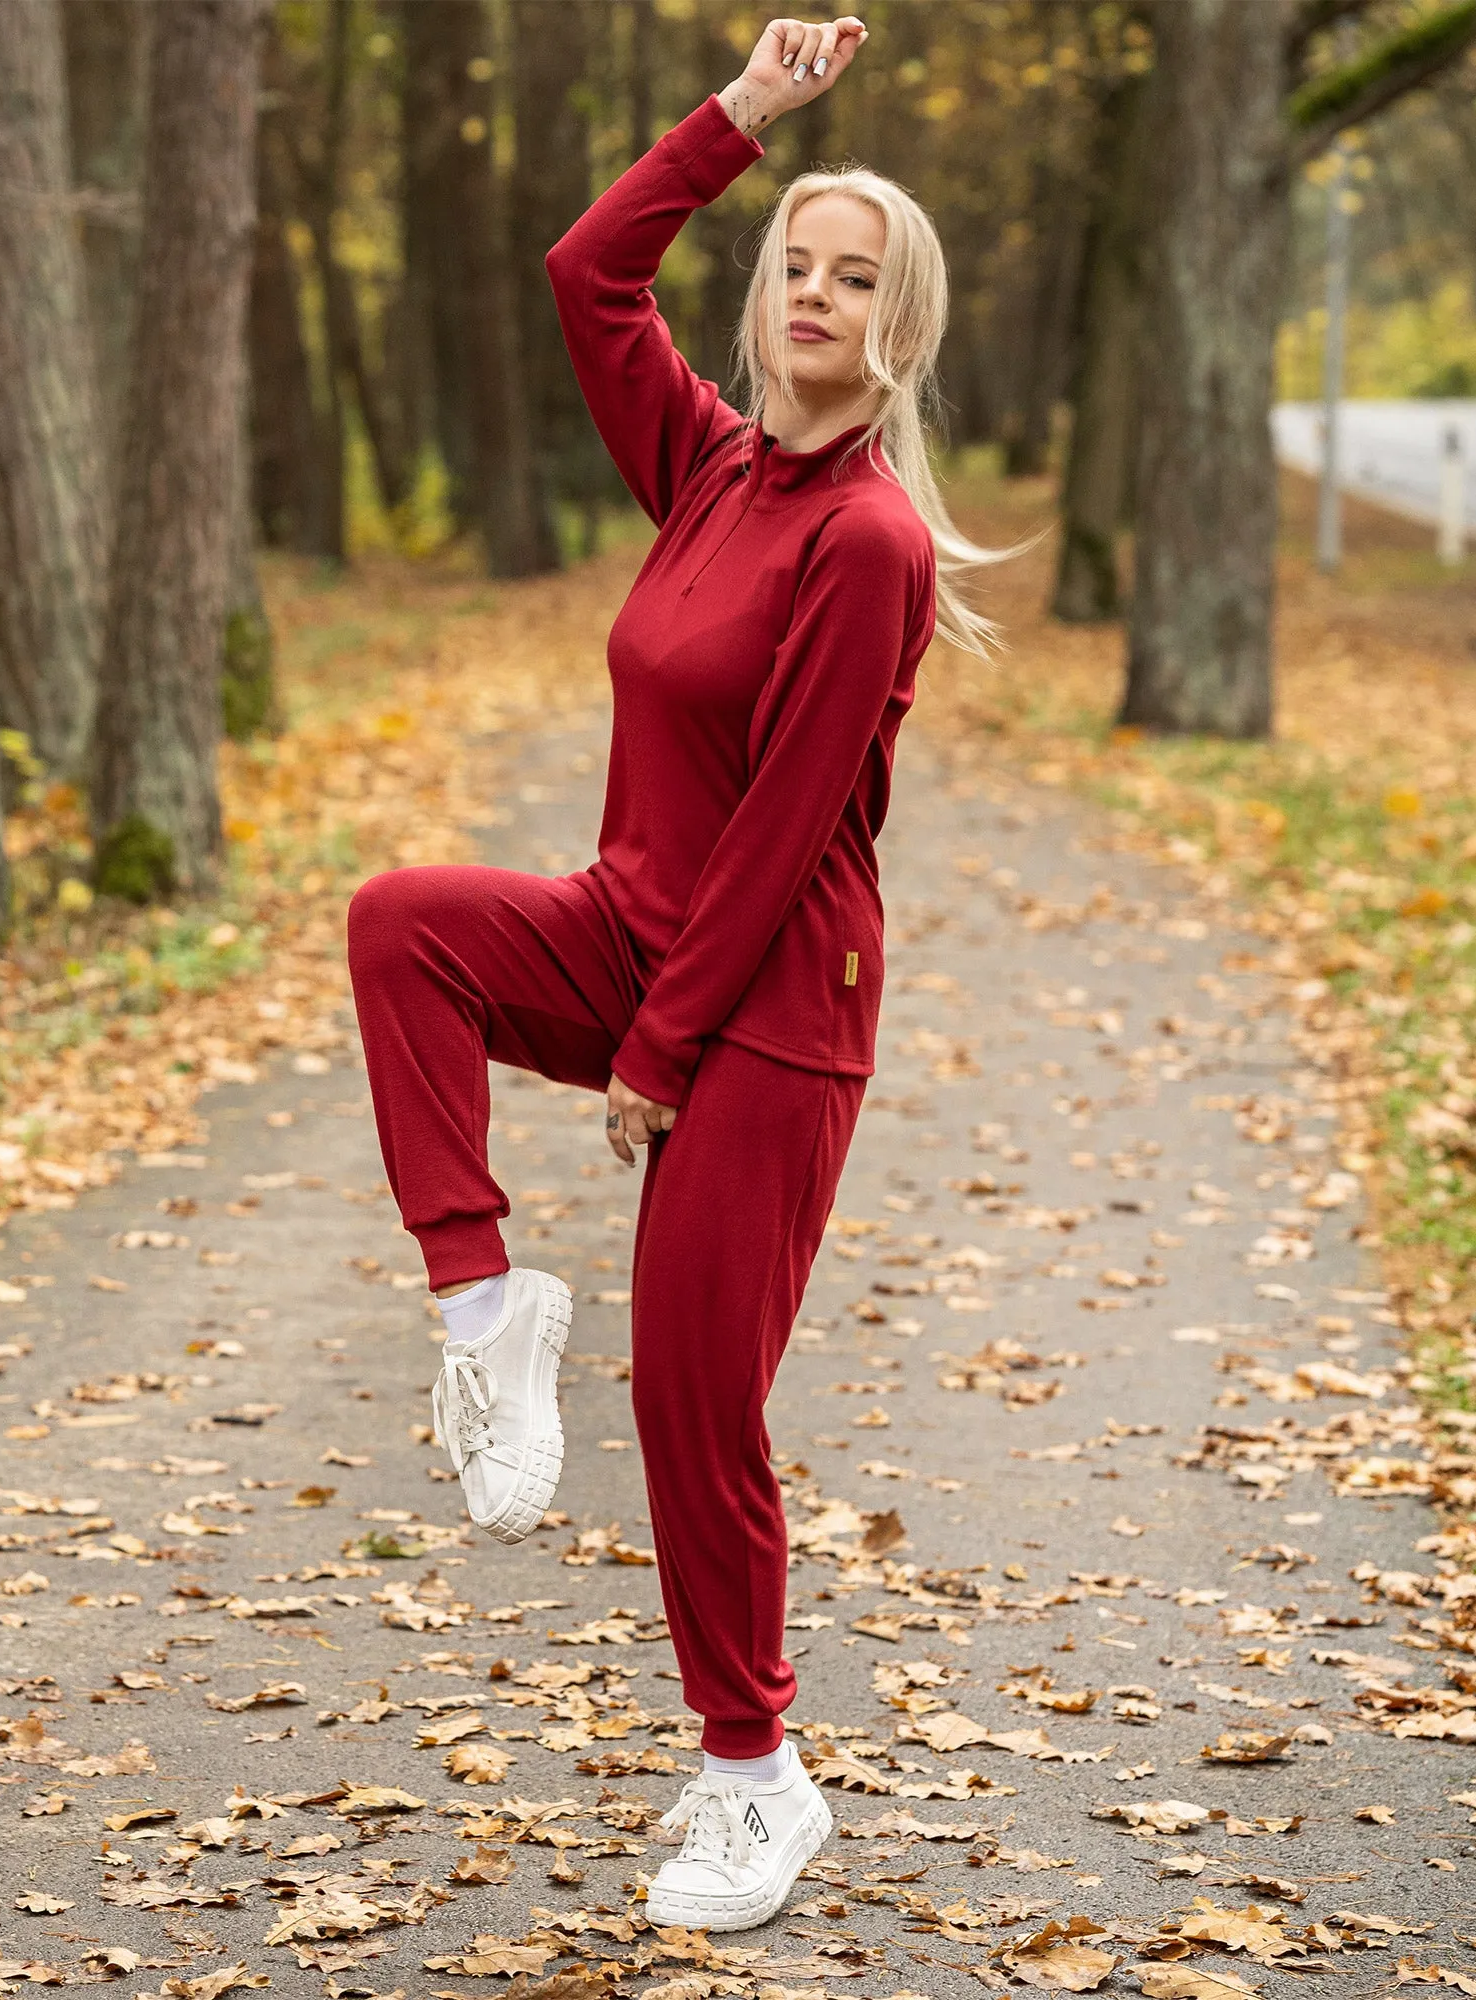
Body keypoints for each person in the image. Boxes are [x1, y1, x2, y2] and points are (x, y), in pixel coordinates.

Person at [345, 13, 1008, 1932]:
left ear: (900, 326)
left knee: (698, 1403)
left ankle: (755, 1779)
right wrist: (743, 119)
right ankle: (485, 1323)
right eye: (795, 263)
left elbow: (791, 827)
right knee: (404, 924)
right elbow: (586, 268)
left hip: (779, 1010)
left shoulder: (866, 539)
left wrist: (657, 1048)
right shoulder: (711, 468)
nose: (813, 291)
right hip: (632, 929)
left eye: (854, 275)